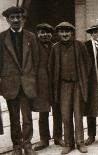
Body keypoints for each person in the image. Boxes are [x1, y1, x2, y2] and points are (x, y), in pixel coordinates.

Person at [0, 6, 39, 155]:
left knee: (27, 117)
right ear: (8, 20)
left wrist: (33, 79)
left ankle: (27, 144)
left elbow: (36, 60)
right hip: (11, 84)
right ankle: (17, 146)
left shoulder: (31, 37)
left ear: (22, 18)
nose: (16, 20)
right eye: (12, 18)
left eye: (18, 17)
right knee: (14, 118)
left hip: (27, 83)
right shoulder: (1, 38)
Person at [49, 22, 91, 154]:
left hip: (77, 85)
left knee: (78, 115)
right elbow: (51, 67)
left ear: (72, 33)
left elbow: (88, 64)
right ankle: (68, 143)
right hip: (63, 86)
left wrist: (82, 79)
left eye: (67, 31)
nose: (65, 34)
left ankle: (80, 142)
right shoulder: (55, 48)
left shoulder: (79, 45)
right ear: (58, 34)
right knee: (66, 116)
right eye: (62, 32)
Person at [33, 23, 64, 151]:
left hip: (55, 84)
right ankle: (44, 139)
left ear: (51, 34)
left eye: (47, 32)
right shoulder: (33, 47)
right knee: (43, 112)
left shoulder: (56, 47)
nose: (44, 35)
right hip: (41, 85)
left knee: (58, 111)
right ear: (37, 34)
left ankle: (58, 137)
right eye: (41, 32)